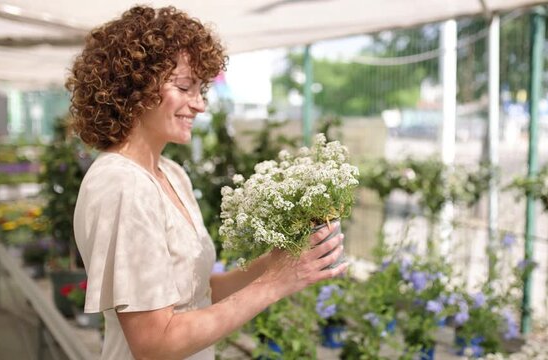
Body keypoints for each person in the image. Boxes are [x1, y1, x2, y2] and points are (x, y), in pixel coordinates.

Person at [68, 6, 346, 360]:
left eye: (201, 89)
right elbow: (154, 343)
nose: (199, 104)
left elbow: (199, 294)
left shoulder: (170, 174)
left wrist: (280, 261)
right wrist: (274, 284)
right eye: (185, 87)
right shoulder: (122, 185)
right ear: (133, 86)